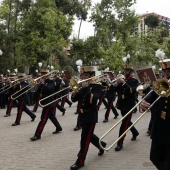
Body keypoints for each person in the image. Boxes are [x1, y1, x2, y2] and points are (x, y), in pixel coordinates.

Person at [70, 66, 107, 170]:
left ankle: (80, 161)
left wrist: (86, 88)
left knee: (84, 139)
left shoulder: (97, 86)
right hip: (82, 115)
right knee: (89, 136)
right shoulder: (82, 86)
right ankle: (101, 145)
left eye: (86, 75)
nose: (83, 77)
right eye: (83, 75)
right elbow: (74, 100)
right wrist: (75, 93)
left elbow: (93, 100)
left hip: (91, 116)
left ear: (91, 76)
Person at [140, 59, 170, 170]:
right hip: (158, 128)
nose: (166, 74)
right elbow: (151, 95)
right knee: (154, 157)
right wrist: (144, 103)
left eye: (169, 72)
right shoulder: (161, 84)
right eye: (164, 72)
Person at [30, 69, 62, 141]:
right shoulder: (42, 82)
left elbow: (49, 89)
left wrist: (42, 83)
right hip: (44, 102)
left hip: (48, 102)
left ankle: (37, 135)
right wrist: (36, 87)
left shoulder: (51, 81)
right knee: (52, 116)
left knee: (43, 119)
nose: (42, 75)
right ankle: (58, 127)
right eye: (42, 74)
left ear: (48, 74)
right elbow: (37, 94)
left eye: (44, 74)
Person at [114, 65, 139, 151]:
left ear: (131, 71)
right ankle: (135, 132)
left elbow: (132, 91)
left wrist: (124, 83)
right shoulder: (124, 80)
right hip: (122, 104)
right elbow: (115, 89)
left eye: (127, 70)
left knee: (124, 123)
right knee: (127, 121)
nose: (126, 72)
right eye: (125, 70)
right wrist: (115, 82)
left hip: (129, 105)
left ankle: (119, 143)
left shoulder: (134, 81)